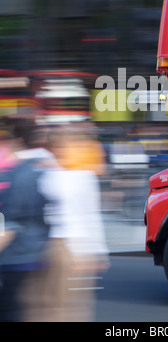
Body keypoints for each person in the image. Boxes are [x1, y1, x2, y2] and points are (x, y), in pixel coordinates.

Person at [38, 122, 110, 322]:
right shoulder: (81, 176)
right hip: (75, 246)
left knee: (55, 302)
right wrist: (99, 252)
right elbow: (91, 215)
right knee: (71, 304)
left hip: (55, 244)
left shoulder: (48, 175)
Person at [0, 117, 54, 322]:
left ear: (17, 140)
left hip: (18, 254)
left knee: (9, 310)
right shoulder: (45, 167)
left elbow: (12, 222)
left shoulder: (21, 174)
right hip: (37, 250)